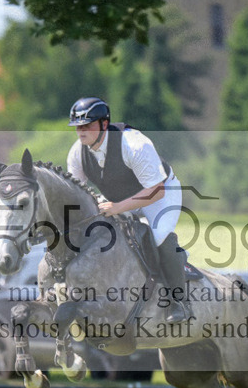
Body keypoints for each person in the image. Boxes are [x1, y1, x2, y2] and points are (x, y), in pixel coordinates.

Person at [66, 97, 191, 323]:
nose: (81, 131)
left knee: (159, 237)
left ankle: (179, 301)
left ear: (104, 124)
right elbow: (76, 193)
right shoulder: (77, 153)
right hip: (120, 199)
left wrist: (118, 207)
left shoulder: (133, 144)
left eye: (87, 125)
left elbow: (156, 191)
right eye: (77, 126)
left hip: (160, 193)